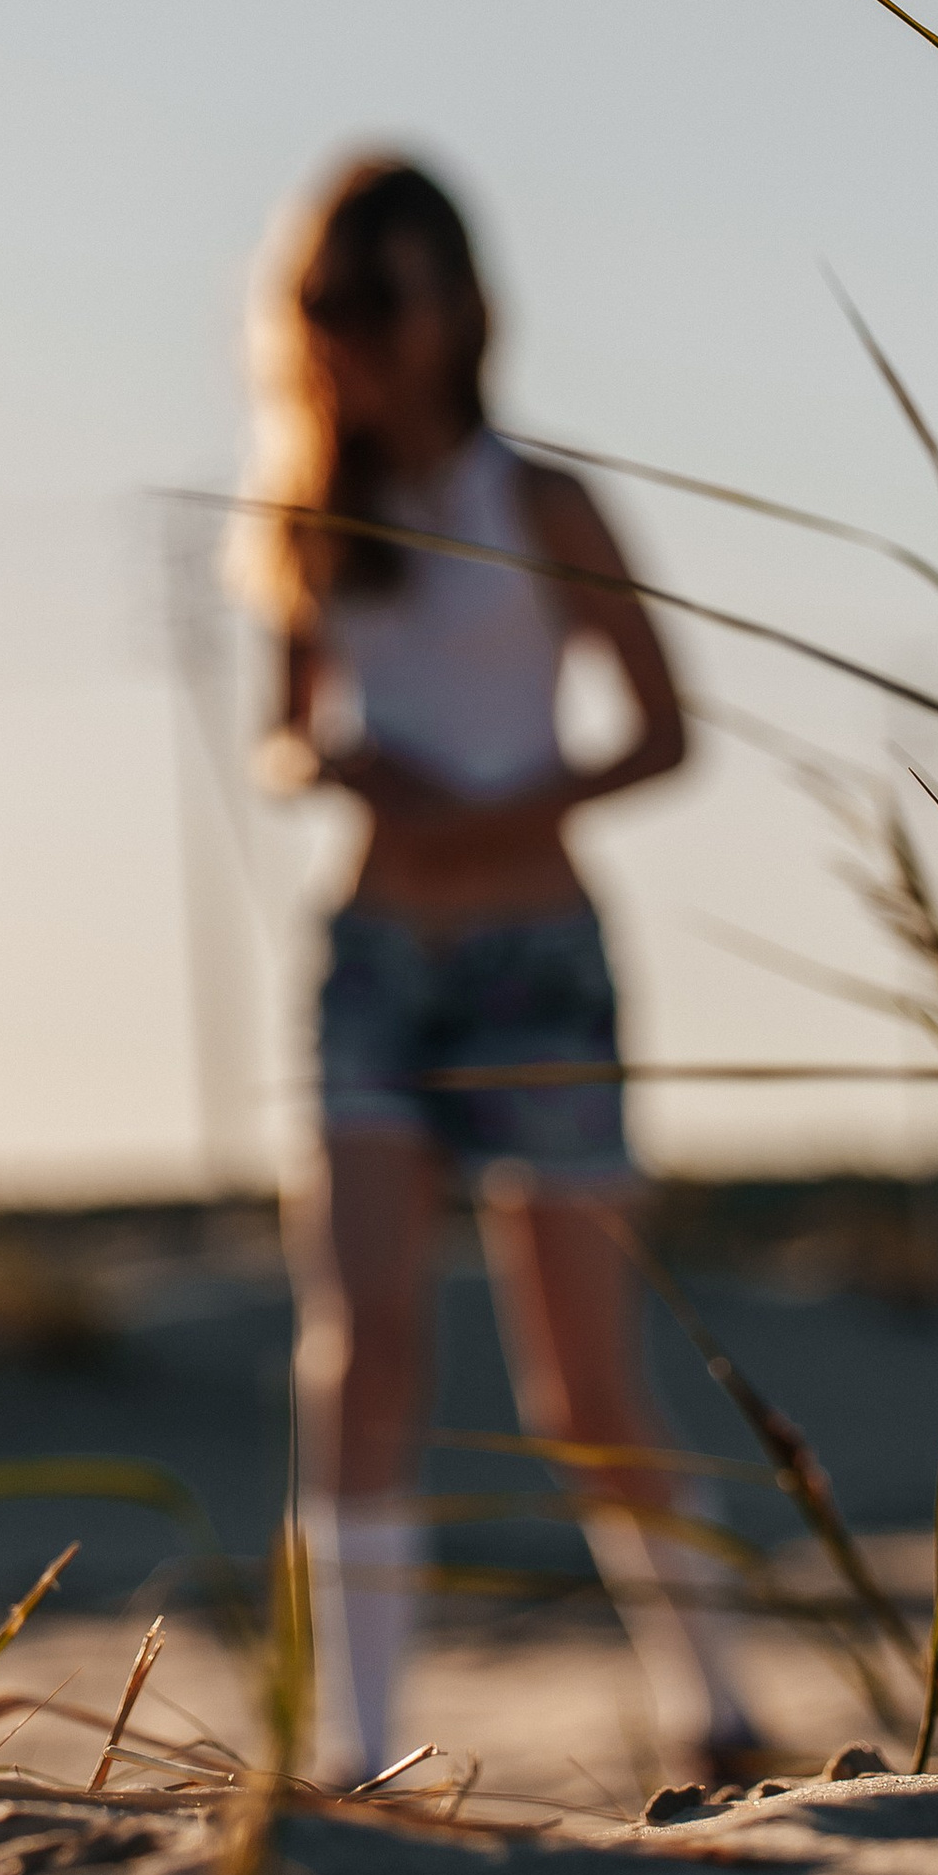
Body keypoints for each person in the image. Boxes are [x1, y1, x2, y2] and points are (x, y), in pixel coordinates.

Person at [238, 153, 766, 1790]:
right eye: (330, 306)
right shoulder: (309, 520)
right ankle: (361, 1746)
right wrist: (341, 771)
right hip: (377, 960)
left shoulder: (545, 504)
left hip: (536, 961)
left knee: (582, 1380)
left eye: (383, 301)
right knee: (366, 1337)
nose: (361, 338)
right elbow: (280, 731)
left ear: (461, 306)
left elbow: (670, 729)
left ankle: (715, 1698)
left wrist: (514, 811)